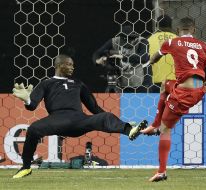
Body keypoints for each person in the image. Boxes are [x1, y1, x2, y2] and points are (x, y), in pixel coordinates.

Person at [12, 54, 148, 179]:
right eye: (69, 64)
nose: (72, 67)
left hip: (79, 121)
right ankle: (26, 168)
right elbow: (32, 106)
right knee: (33, 129)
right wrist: (27, 100)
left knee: (106, 116)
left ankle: (129, 130)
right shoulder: (46, 84)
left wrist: (120, 122)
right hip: (57, 120)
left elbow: (94, 108)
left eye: (72, 65)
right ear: (59, 65)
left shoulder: (78, 83)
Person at [140, 17, 206, 182]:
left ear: (178, 31)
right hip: (198, 90)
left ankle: (162, 171)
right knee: (166, 84)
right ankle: (154, 124)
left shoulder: (173, 42)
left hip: (184, 93)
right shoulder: (204, 46)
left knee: (166, 129)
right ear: (193, 30)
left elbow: (155, 57)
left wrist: (148, 62)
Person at [92, 25, 151, 93]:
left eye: (131, 39)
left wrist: (123, 57)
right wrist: (97, 61)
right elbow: (97, 53)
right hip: (122, 81)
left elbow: (144, 58)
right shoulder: (115, 41)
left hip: (140, 80)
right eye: (125, 41)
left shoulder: (142, 41)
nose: (129, 43)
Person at [148, 15, 177, 92]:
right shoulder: (178, 39)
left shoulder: (149, 40)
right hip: (174, 82)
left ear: (157, 25)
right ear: (171, 25)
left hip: (155, 82)